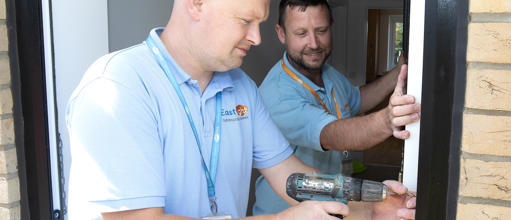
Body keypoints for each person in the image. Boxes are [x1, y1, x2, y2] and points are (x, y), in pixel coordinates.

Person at [66, 0, 416, 219]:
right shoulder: (117, 89)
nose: (257, 37)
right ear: (197, 3)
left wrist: (370, 204)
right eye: (245, 20)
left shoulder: (242, 88)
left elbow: (291, 178)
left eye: (260, 23)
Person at [253, 0, 421, 215]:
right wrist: (388, 120)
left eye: (321, 30)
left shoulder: (327, 72)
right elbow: (332, 134)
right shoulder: (277, 93)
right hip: (287, 213)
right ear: (282, 34)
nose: (314, 43)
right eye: (301, 33)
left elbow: (357, 99)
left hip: (330, 203)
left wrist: (399, 71)